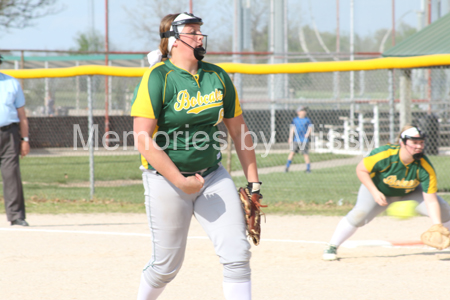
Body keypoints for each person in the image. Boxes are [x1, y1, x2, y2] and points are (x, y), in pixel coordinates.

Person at [131, 13, 261, 300]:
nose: (200, 37)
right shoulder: (158, 77)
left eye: (200, 31)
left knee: (237, 254)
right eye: (192, 32)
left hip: (212, 175)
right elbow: (142, 138)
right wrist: (180, 180)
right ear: (173, 41)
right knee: (166, 267)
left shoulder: (216, 76)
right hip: (166, 180)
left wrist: (254, 185)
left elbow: (240, 133)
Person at [322, 125, 450, 261]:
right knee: (359, 215)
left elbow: (430, 200)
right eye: (414, 142)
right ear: (403, 142)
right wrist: (375, 192)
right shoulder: (385, 155)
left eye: (421, 142)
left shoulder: (425, 167)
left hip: (409, 194)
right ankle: (332, 246)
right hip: (378, 190)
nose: (419, 146)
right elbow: (361, 169)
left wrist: (437, 225)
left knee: (443, 209)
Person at [0, 54, 30, 226]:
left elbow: (22, 115)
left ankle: (16, 216)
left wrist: (25, 139)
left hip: (9, 133)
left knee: (12, 175)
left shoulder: (11, 83)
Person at [285, 106, 312, 173]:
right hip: (296, 139)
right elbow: (292, 129)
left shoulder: (307, 120)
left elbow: (310, 128)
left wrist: (307, 134)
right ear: (298, 112)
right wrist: (290, 137)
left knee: (305, 154)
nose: (304, 112)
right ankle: (287, 167)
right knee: (292, 152)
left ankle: (308, 169)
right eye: (302, 110)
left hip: (304, 140)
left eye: (305, 111)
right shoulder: (295, 120)